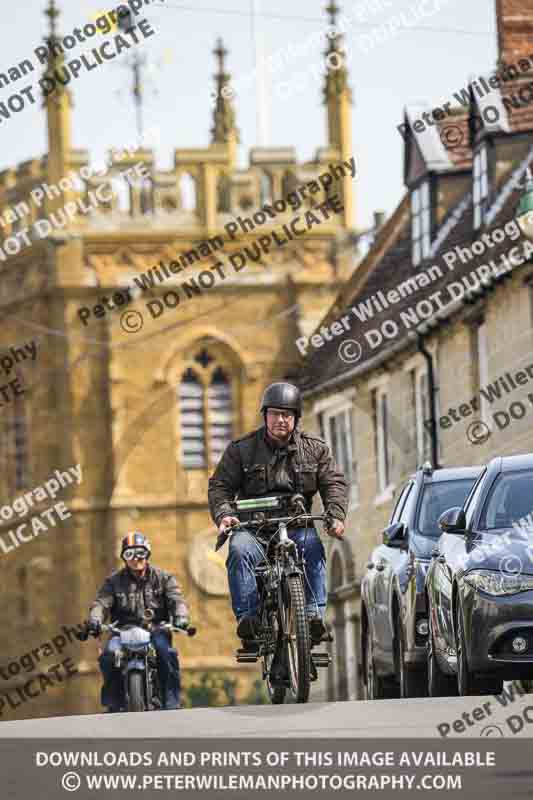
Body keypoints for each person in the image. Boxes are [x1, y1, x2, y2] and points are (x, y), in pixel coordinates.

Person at [208, 381, 348, 646]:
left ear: (295, 417)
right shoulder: (241, 450)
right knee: (239, 552)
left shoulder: (315, 449)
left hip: (296, 525)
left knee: (313, 547)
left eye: (286, 414)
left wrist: (336, 514)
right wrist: (225, 514)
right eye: (274, 413)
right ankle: (249, 619)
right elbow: (220, 486)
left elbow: (333, 483)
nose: (280, 420)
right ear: (265, 416)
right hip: (254, 528)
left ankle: (313, 616)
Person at [87, 532, 190, 712]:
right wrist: (95, 619)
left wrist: (181, 616)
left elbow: (177, 599)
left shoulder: (163, 578)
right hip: (122, 631)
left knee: (166, 653)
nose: (136, 559)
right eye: (129, 554)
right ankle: (114, 702)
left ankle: (171, 702)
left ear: (148, 553)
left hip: (156, 629)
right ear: (124, 558)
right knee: (108, 656)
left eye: (140, 553)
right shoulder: (113, 582)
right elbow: (101, 603)